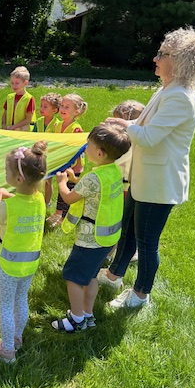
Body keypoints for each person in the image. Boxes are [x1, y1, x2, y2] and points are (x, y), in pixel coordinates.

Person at [98, 27, 195, 308]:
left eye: (162, 54)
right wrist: (126, 124)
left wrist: (123, 126)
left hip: (159, 183)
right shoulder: (167, 89)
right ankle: (113, 275)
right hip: (144, 177)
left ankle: (140, 295)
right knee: (127, 231)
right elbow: (144, 126)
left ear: (180, 61)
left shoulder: (180, 97)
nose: (155, 58)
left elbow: (148, 137)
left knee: (146, 242)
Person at [51, 123, 131, 332]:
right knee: (91, 276)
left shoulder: (93, 178)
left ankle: (76, 320)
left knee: (73, 277)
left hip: (89, 240)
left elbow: (69, 198)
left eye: (88, 146)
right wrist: (75, 179)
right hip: (107, 238)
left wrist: (62, 182)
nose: (85, 149)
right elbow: (91, 189)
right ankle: (88, 313)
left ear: (100, 153)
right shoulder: (113, 171)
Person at [0, 141, 48, 363]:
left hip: (8, 266)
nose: (5, 173)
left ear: (18, 179)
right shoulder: (40, 200)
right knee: (21, 299)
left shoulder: (7, 208)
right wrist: (8, 195)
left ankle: (7, 350)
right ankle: (17, 338)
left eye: (7, 170)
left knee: (5, 306)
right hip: (29, 264)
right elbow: (23, 202)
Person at [105, 100, 145, 263]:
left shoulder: (132, 145)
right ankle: (114, 249)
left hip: (126, 188)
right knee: (117, 219)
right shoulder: (124, 143)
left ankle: (116, 251)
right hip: (119, 185)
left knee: (123, 221)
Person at [46, 93, 88, 228]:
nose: (63, 109)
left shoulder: (76, 129)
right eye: (62, 106)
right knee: (61, 188)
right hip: (62, 163)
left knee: (67, 192)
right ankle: (57, 213)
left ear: (76, 111)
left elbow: (78, 149)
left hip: (73, 166)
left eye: (67, 107)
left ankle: (64, 218)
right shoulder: (57, 125)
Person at [35, 92, 62, 208]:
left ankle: (47, 202)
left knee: (48, 181)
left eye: (45, 107)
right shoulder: (38, 121)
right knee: (36, 179)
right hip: (38, 155)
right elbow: (32, 135)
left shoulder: (57, 124)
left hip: (50, 157)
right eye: (41, 105)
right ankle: (36, 200)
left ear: (54, 110)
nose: (41, 108)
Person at [2, 66, 35, 131]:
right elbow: (4, 114)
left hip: (23, 132)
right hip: (9, 130)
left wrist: (13, 127)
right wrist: (3, 125)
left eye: (17, 83)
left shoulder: (29, 99)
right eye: (12, 83)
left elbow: (28, 119)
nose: (14, 85)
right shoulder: (9, 97)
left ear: (25, 83)